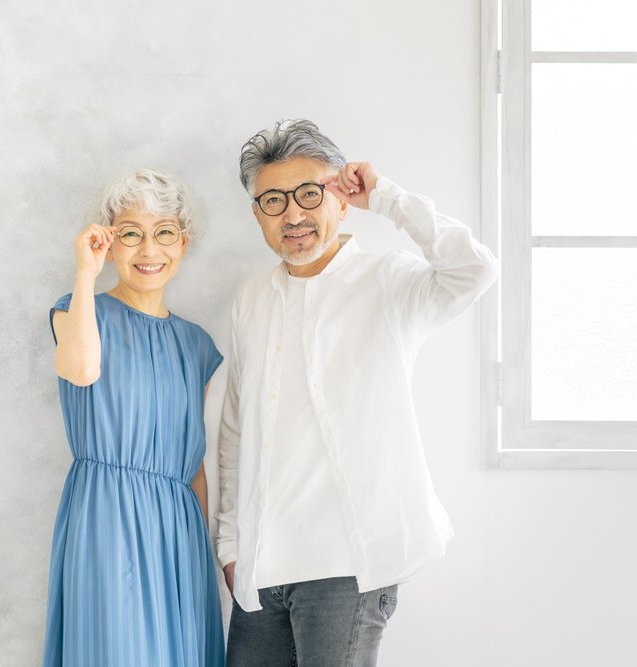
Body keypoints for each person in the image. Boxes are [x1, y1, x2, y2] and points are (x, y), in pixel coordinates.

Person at [216, 119, 500, 666]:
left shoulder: (388, 282)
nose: (293, 214)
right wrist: (229, 546)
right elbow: (235, 428)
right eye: (273, 201)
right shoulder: (251, 298)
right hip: (258, 570)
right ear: (257, 215)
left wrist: (388, 199)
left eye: (309, 194)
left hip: (345, 567)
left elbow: (475, 270)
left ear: (340, 201)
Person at [42, 168, 225, 666]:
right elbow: (80, 370)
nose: (149, 250)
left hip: (179, 529)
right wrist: (84, 272)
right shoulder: (78, 310)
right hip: (107, 516)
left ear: (182, 244)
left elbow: (198, 465)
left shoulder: (198, 346)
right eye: (130, 234)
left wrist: (206, 553)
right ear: (110, 243)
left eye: (164, 233)